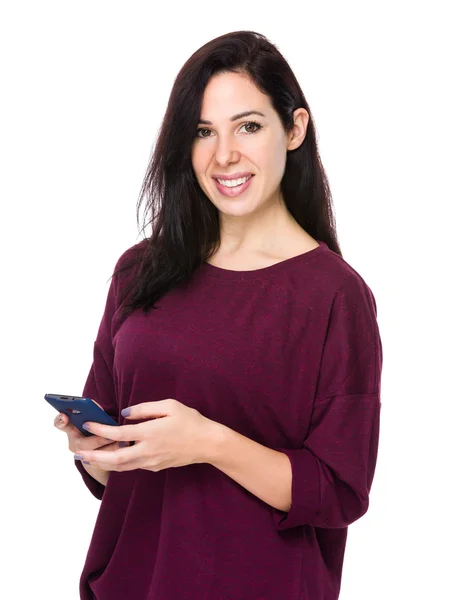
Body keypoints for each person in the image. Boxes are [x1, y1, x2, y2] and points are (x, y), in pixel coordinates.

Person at [54, 30, 383, 600]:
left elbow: (338, 492)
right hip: (132, 583)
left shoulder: (334, 296)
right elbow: (112, 476)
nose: (224, 154)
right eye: (203, 131)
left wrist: (210, 444)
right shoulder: (140, 270)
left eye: (248, 126)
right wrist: (95, 449)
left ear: (295, 129)